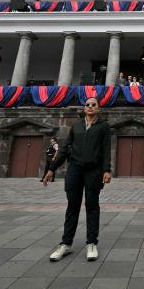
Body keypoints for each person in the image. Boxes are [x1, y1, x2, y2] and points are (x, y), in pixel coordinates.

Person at [44, 96, 112, 262]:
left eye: (93, 104)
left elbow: (106, 150)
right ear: (84, 108)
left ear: (98, 108)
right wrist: (52, 169)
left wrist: (106, 170)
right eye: (87, 104)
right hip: (75, 169)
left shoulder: (103, 127)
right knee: (72, 207)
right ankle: (65, 244)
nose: (90, 106)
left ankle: (91, 243)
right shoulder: (76, 126)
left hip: (93, 171)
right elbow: (65, 148)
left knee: (92, 205)